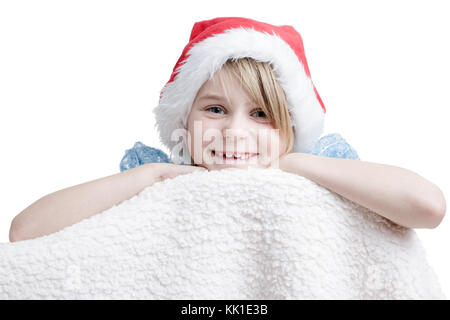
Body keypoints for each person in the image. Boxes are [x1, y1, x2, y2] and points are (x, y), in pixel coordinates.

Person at [9, 17, 445, 243]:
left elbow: (427, 207)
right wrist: (152, 177)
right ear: (185, 120)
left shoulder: (317, 168)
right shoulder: (156, 173)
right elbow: (25, 232)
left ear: (294, 127)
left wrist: (294, 162)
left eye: (261, 114)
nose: (235, 133)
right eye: (216, 109)